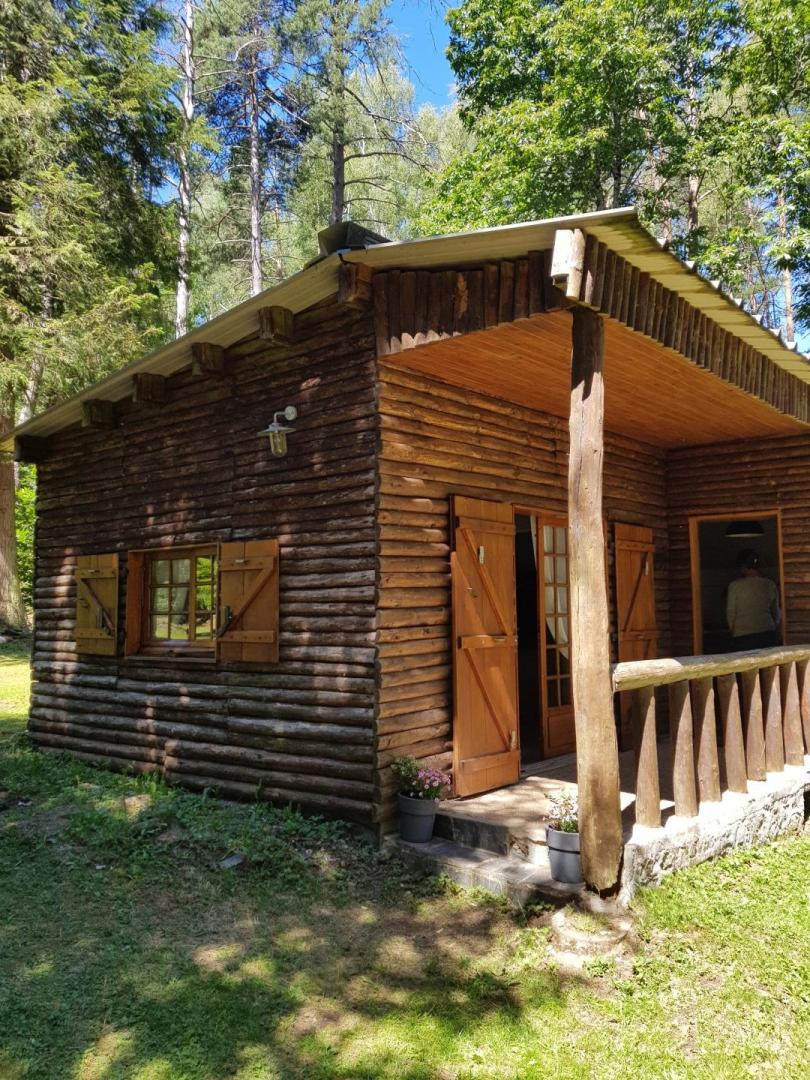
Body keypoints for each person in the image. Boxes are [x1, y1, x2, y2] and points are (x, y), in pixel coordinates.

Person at [726, 549, 781, 650]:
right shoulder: (769, 584)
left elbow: (731, 612)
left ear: (742, 566)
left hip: (743, 635)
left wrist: (733, 632)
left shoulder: (734, 586)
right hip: (766, 632)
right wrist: (774, 625)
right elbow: (776, 610)